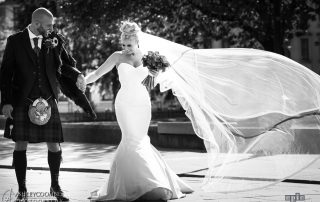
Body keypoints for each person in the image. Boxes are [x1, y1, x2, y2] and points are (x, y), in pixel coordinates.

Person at [85, 21, 194, 201]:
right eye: (123, 45)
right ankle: (137, 184)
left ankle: (152, 182)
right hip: (125, 103)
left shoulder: (149, 57)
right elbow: (96, 74)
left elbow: (153, 82)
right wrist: (83, 82)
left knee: (141, 139)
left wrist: (154, 73)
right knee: (130, 139)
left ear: (137, 42)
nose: (126, 48)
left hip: (143, 104)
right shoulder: (117, 57)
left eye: (129, 45)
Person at [0, 7, 86, 201]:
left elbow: (65, 64)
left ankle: (55, 186)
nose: (52, 28)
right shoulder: (15, 41)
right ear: (37, 24)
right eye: (48, 25)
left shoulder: (54, 40)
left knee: (54, 145)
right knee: (20, 144)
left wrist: (78, 74)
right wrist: (5, 102)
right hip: (22, 100)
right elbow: (5, 73)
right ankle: (22, 190)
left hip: (47, 99)